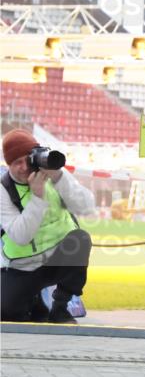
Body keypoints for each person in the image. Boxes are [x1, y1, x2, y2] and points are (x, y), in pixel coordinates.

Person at [1, 129, 95, 324]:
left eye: (26, 160)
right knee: (8, 313)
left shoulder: (53, 174)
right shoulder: (3, 189)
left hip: (57, 258)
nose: (22, 167)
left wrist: (60, 177)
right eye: (15, 163)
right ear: (7, 164)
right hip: (23, 266)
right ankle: (35, 304)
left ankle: (60, 308)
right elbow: (20, 236)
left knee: (81, 239)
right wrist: (37, 197)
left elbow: (86, 206)